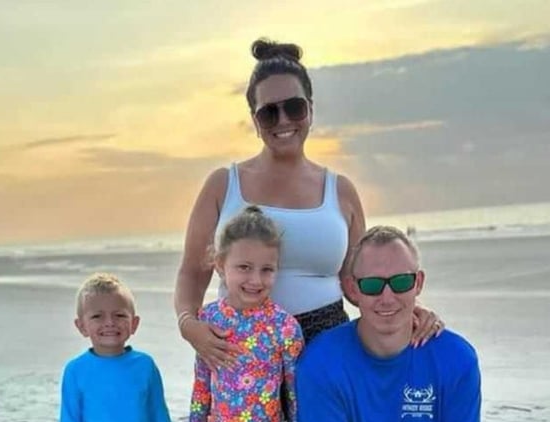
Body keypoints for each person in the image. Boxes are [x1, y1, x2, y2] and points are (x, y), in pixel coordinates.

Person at [173, 37, 443, 372]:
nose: (283, 119)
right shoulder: (223, 185)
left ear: (311, 110)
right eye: (269, 113)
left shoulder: (340, 191)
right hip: (242, 351)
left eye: (294, 107)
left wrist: (407, 307)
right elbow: (192, 270)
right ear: (255, 122)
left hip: (328, 348)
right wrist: (189, 325)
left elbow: (361, 281)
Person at [296, 226, 481, 422]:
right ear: (353, 289)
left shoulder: (457, 361)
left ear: (418, 283)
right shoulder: (321, 365)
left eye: (401, 282)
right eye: (372, 285)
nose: (387, 297)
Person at [187, 206, 305, 422]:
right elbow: (202, 382)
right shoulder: (208, 318)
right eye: (244, 268)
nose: (256, 280)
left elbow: (293, 393)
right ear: (220, 265)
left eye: (267, 270)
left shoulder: (283, 326)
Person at [60, 273, 175, 422]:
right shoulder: (75, 372)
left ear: (134, 323)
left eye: (119, 315)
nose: (110, 322)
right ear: (82, 326)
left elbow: (160, 418)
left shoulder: (145, 366)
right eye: (97, 316)